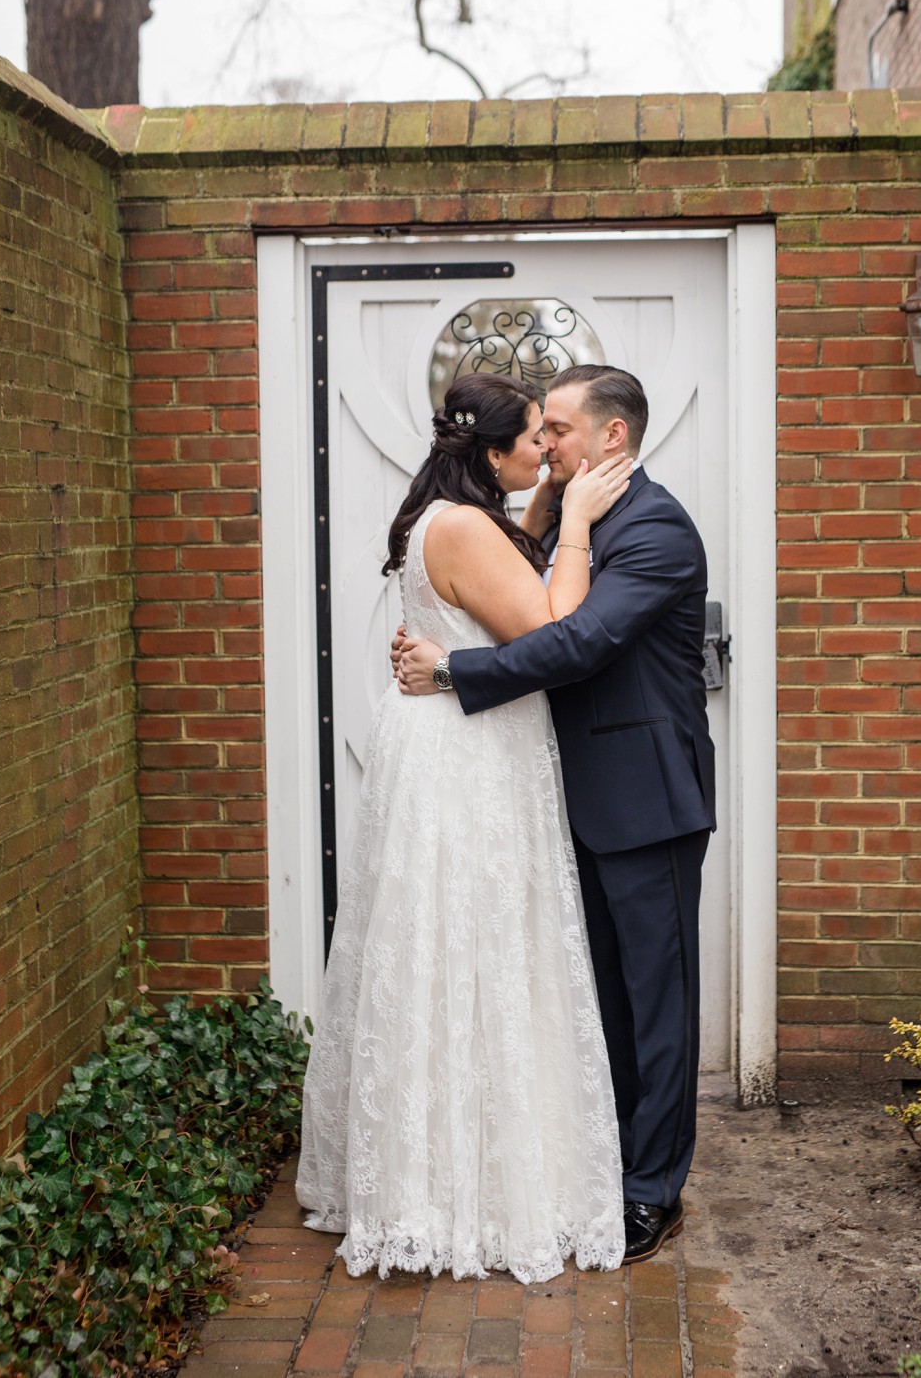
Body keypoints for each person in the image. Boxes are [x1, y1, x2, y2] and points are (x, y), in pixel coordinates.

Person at [295, 371, 633, 1284]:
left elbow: (493, 586)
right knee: (475, 946)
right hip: (470, 756)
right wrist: (572, 528)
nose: (548, 451)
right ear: (492, 455)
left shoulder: (450, 516)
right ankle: (461, 1191)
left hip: (452, 742)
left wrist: (546, 511)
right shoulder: (464, 525)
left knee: (455, 948)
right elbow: (550, 625)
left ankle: (446, 1171)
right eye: (534, 441)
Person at [396, 363, 716, 1264]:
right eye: (536, 436)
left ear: (612, 436)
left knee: (657, 1008)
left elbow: (572, 643)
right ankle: (606, 1165)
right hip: (567, 801)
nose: (546, 451)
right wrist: (546, 524)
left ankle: (654, 1192)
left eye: (560, 433)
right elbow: (522, 597)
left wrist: (451, 672)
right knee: (602, 1004)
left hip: (647, 802)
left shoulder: (654, 527)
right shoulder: (572, 521)